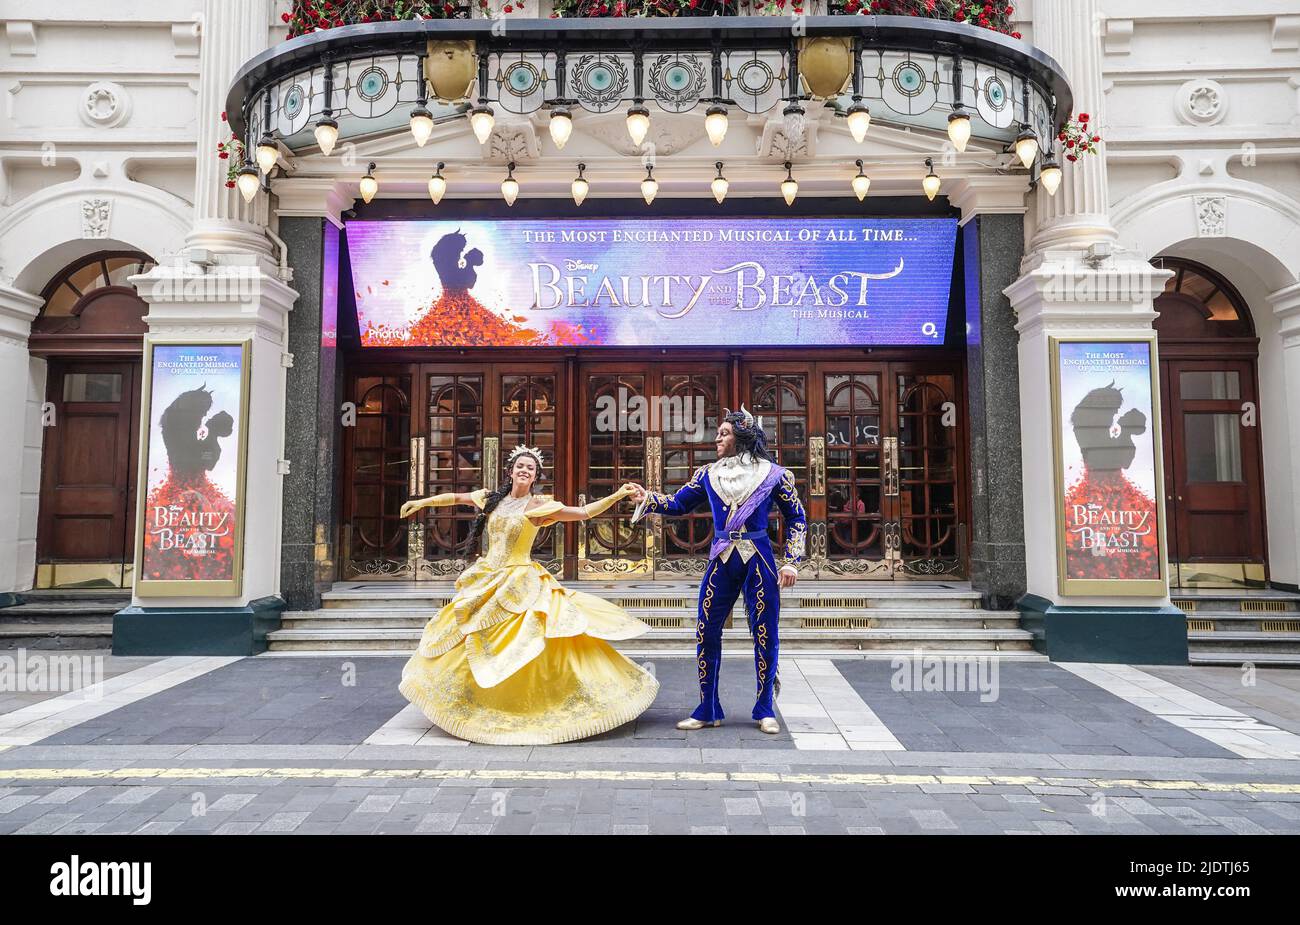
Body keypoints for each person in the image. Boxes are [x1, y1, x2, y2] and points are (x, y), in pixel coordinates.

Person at [396, 445, 659, 745]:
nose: (524, 470)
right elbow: (455, 498)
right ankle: (470, 698)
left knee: (530, 637)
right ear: (510, 471)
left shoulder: (538, 508)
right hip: (487, 578)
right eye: (520, 465)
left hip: (520, 581)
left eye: (530, 468)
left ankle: (535, 698)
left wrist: (618, 495)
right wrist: (421, 502)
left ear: (535, 477)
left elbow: (584, 512)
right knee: (471, 634)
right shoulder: (490, 499)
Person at [626, 406, 807, 734]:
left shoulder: (775, 475)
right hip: (722, 557)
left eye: (724, 434)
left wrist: (792, 560)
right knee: (706, 630)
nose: (717, 439)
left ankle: (765, 708)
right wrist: (647, 498)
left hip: (759, 559)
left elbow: (797, 517)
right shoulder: (708, 474)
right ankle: (708, 708)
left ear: (742, 436)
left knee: (765, 632)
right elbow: (679, 504)